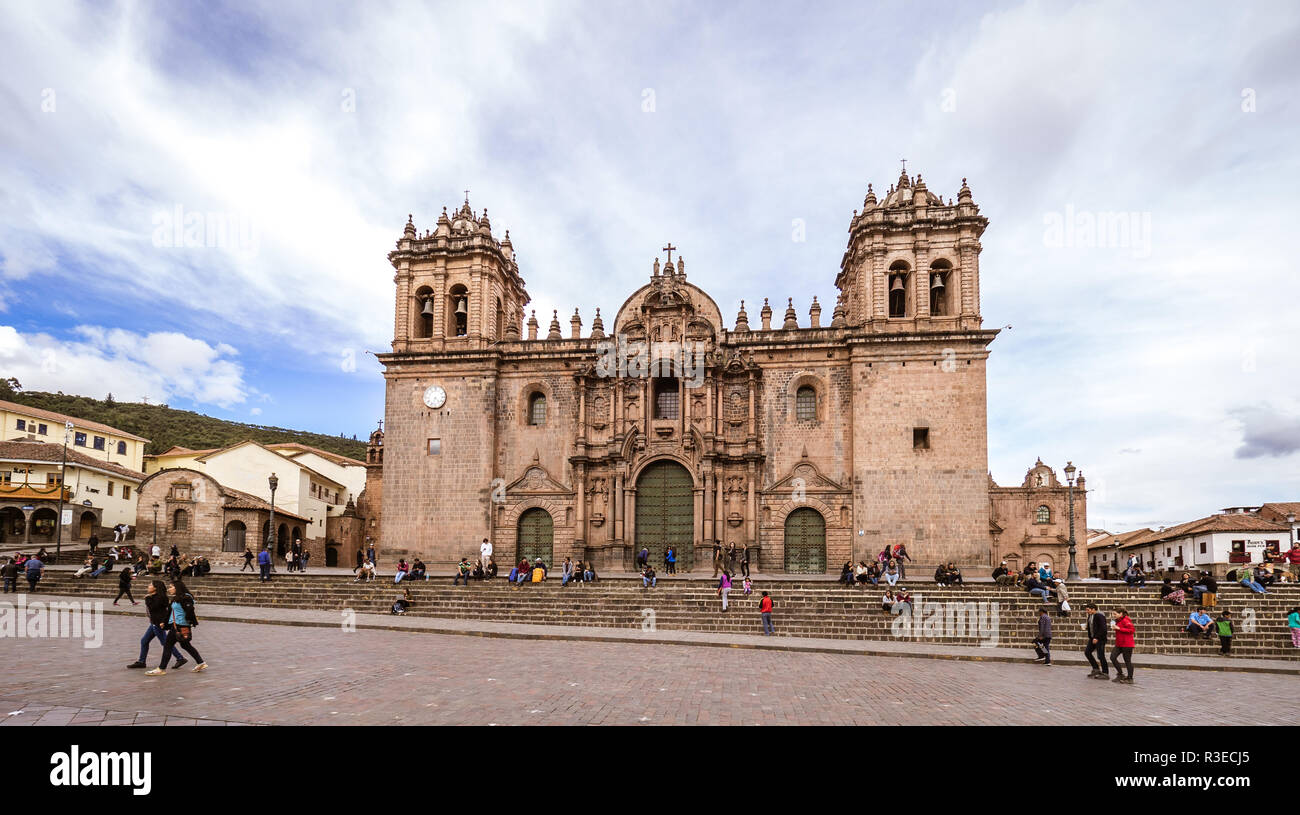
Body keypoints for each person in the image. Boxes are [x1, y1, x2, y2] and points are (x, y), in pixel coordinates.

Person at [146, 583, 207, 676]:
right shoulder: (176, 598)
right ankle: (201, 663)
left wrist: (188, 622)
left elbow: (190, 610)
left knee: (167, 646)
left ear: (177, 587)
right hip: (176, 625)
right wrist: (165, 623)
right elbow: (171, 612)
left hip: (179, 626)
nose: (169, 589)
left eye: (171, 587)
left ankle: (161, 668)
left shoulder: (185, 597)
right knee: (185, 645)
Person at [127, 580, 172, 669]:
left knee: (165, 643)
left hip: (158, 623)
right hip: (154, 623)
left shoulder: (159, 598)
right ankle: (141, 661)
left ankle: (180, 658)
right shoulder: (156, 596)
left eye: (150, 585)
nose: (148, 586)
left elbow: (152, 608)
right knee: (144, 641)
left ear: (155, 587)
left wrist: (148, 598)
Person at [1110, 608, 1135, 683]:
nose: (1113, 615)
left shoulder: (1126, 620)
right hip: (1119, 643)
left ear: (1121, 613)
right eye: (1112, 614)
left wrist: (1119, 628)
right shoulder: (1118, 620)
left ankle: (1130, 678)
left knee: (1127, 661)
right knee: (1112, 657)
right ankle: (1120, 674)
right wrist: (1115, 627)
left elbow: (1132, 630)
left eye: (1115, 614)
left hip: (1127, 644)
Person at [1084, 602, 1108, 679]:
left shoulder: (1099, 615)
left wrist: (1096, 637)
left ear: (1093, 609)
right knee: (1087, 652)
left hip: (1099, 639)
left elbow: (1103, 628)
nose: (1087, 611)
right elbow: (1093, 626)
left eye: (1088, 610)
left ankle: (1105, 673)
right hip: (1092, 638)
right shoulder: (1090, 615)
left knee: (1101, 656)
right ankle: (1096, 668)